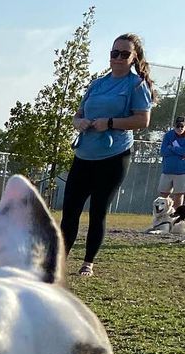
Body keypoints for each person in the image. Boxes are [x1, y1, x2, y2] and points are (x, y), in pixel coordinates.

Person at [61, 32, 155, 275]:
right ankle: (59, 261)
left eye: (125, 54)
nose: (118, 58)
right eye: (115, 53)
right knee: (70, 210)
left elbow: (143, 120)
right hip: (84, 155)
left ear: (134, 58)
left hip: (113, 157)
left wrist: (111, 122)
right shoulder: (97, 84)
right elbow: (78, 114)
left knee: (98, 211)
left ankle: (87, 263)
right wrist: (78, 122)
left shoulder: (136, 85)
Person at [155, 114, 185, 222]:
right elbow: (163, 151)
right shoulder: (168, 135)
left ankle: (176, 221)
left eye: (182, 126)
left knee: (178, 196)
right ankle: (161, 219)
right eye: (178, 126)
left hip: (181, 172)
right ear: (174, 126)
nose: (180, 129)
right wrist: (179, 151)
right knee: (163, 195)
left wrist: (172, 148)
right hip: (167, 171)